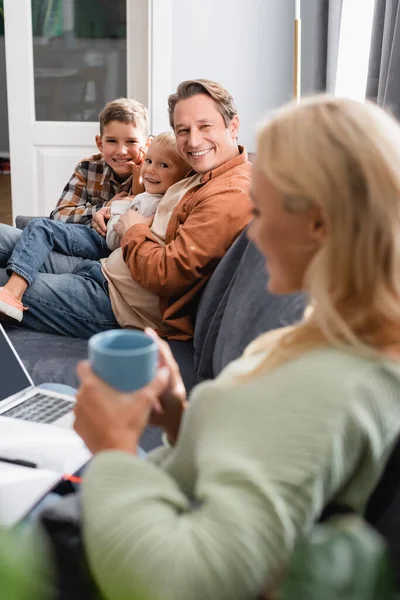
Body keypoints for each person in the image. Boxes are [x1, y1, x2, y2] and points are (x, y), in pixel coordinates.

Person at [72, 95, 400, 600]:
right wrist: (181, 418)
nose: (255, 234)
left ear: (318, 223)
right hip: (146, 505)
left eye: (262, 212)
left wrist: (112, 446)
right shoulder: (326, 334)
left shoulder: (335, 380)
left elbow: (180, 582)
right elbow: (257, 465)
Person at [0, 79, 252, 339]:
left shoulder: (229, 193)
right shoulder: (200, 169)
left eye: (205, 126)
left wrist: (133, 230)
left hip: (116, 303)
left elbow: (168, 274)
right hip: (105, 268)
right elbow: (150, 194)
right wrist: (111, 210)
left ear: (233, 126)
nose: (193, 141)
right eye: (183, 130)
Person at [0, 132, 190, 323]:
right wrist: (110, 209)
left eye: (163, 165)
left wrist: (117, 213)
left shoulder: (161, 203)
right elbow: (62, 212)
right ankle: (12, 290)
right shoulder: (148, 190)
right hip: (101, 265)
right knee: (34, 230)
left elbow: (117, 237)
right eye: (148, 161)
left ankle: (13, 292)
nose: (150, 170)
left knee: (40, 228)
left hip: (107, 265)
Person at [49, 97, 150, 226]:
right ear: (100, 143)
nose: (121, 151)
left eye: (131, 141)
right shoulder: (87, 168)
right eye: (112, 141)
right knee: (37, 226)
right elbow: (58, 215)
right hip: (92, 239)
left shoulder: (155, 171)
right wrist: (106, 207)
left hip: (130, 241)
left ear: (147, 144)